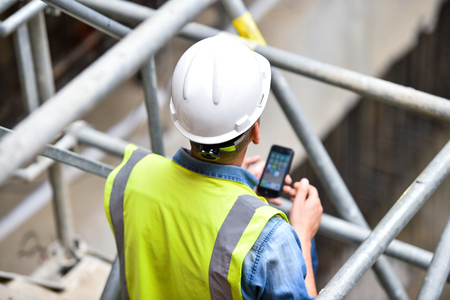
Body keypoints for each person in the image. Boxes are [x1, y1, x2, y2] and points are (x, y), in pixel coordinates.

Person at [104, 35, 323, 300]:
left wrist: (242, 198)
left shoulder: (130, 176)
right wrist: (303, 234)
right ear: (255, 130)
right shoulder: (272, 239)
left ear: (181, 118)